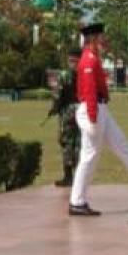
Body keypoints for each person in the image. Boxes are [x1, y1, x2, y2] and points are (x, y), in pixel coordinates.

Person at [68, 23, 128, 216]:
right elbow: (90, 92)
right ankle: (77, 201)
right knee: (89, 156)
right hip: (92, 111)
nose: (104, 40)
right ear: (93, 39)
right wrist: (93, 117)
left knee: (121, 144)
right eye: (101, 37)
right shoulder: (88, 61)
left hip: (100, 110)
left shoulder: (93, 58)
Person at [47, 48, 82, 187]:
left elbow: (58, 96)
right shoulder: (84, 74)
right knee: (79, 143)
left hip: (68, 112)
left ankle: (68, 177)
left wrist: (54, 109)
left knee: (67, 142)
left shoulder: (64, 75)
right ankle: (79, 176)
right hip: (82, 111)